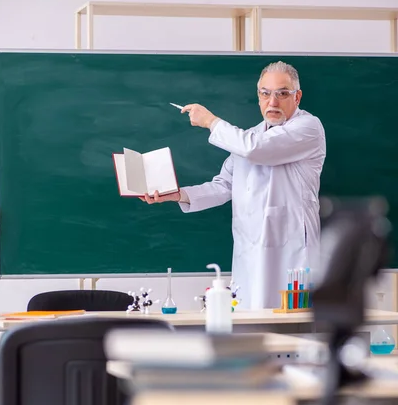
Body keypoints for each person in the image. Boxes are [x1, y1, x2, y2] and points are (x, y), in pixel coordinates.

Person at [140, 61, 326, 309]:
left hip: (291, 254)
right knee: (251, 332)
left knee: (292, 332)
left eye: (282, 93)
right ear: (258, 96)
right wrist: (177, 195)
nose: (273, 102)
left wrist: (211, 121)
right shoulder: (249, 136)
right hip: (249, 255)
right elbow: (223, 186)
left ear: (297, 96)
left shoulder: (308, 127)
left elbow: (256, 149)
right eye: (265, 93)